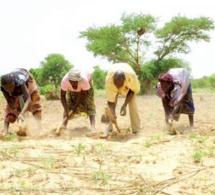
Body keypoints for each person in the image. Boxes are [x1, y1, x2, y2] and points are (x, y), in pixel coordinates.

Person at [0, 68, 42, 136]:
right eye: (7, 88)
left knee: (34, 101)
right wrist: (16, 112)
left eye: (11, 86)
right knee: (10, 109)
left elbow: (28, 98)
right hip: (16, 83)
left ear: (14, 82)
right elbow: (9, 101)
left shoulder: (20, 80)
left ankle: (40, 128)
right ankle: (5, 131)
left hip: (27, 79)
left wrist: (22, 113)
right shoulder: (3, 87)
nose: (9, 89)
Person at [104, 63, 141, 136]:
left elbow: (133, 90)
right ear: (113, 79)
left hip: (129, 87)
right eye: (116, 84)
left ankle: (136, 129)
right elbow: (110, 101)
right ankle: (108, 128)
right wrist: (113, 113)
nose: (118, 87)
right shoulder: (109, 80)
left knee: (132, 103)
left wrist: (124, 105)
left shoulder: (132, 77)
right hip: (112, 84)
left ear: (124, 80)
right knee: (108, 107)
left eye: (119, 85)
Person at [156, 68, 195, 134]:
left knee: (188, 102)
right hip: (174, 75)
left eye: (165, 86)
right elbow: (164, 101)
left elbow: (178, 102)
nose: (164, 88)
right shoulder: (160, 87)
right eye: (162, 86)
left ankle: (191, 125)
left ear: (170, 84)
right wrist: (167, 114)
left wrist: (171, 114)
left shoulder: (179, 86)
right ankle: (169, 127)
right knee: (168, 109)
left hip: (184, 78)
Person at [60, 68, 96, 135]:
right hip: (74, 89)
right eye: (71, 81)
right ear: (69, 80)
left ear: (79, 79)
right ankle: (63, 126)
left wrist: (75, 106)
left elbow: (83, 94)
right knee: (68, 104)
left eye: (75, 81)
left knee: (89, 103)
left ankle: (93, 128)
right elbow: (62, 96)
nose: (74, 83)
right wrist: (66, 110)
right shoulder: (65, 81)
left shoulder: (84, 80)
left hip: (85, 88)